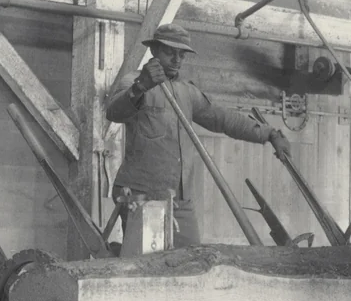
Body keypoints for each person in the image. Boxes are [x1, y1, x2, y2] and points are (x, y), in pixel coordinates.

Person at [105, 22, 289, 247]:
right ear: (154, 50)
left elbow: (222, 119)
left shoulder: (187, 92)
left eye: (181, 54)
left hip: (180, 199)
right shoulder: (133, 81)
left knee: (191, 259)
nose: (176, 60)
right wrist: (141, 87)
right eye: (169, 52)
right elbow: (113, 112)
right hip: (142, 195)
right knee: (149, 266)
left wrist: (269, 134)